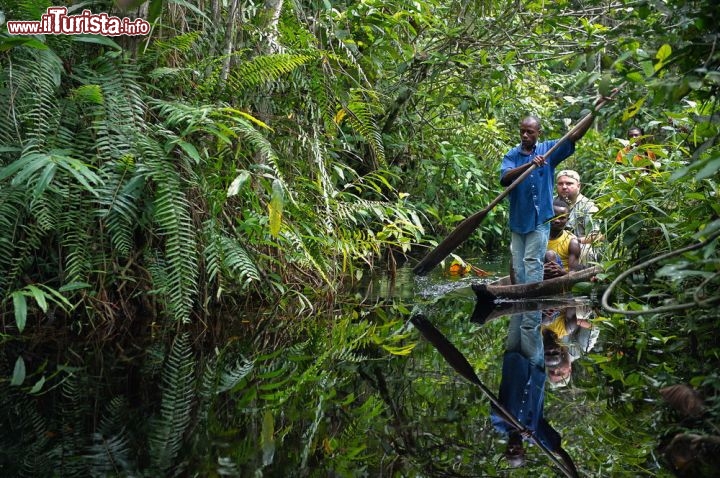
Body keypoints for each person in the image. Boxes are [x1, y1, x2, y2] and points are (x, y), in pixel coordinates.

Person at [501, 112, 596, 285]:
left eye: (529, 132)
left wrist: (594, 113)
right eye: (522, 131)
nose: (525, 135)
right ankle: (520, 295)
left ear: (538, 132)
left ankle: (531, 297)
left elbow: (574, 136)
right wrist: (529, 165)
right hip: (519, 218)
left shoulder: (548, 150)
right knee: (517, 263)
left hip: (540, 219)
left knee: (532, 260)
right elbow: (505, 178)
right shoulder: (512, 155)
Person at [490, 310, 579, 476]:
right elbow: (558, 450)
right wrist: (575, 475)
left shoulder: (499, 425)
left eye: (509, 451)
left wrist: (516, 425)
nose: (512, 448)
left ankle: (522, 287)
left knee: (518, 312)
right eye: (516, 451)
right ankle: (535, 285)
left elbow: (496, 409)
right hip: (533, 366)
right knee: (531, 321)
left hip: (513, 360)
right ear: (524, 451)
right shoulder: (535, 433)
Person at [555, 169, 601, 263]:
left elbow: (598, 236)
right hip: (552, 244)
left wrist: (572, 242)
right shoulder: (550, 203)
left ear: (578, 186)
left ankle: (584, 276)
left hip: (578, 246)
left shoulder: (588, 206)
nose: (564, 187)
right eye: (560, 184)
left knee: (586, 249)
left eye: (569, 183)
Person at [544, 197, 582, 279]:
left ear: (567, 220)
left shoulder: (572, 242)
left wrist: (560, 270)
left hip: (560, 278)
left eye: (562, 218)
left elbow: (574, 273)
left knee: (550, 254)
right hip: (540, 273)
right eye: (554, 216)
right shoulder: (537, 236)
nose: (557, 220)